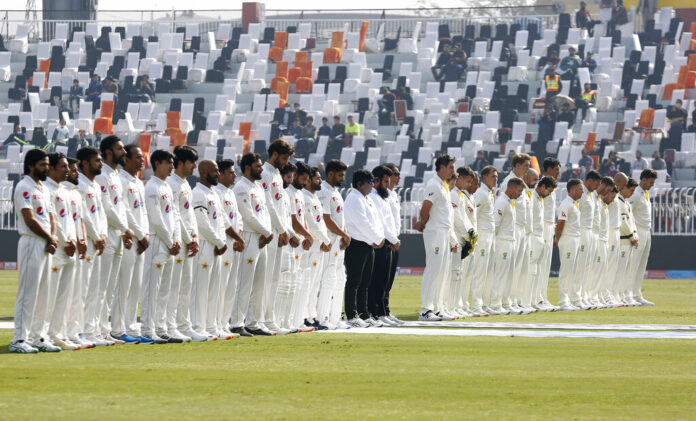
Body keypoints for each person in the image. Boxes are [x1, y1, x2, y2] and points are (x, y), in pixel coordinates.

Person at [9, 149, 59, 353]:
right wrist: (49, 237)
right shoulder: (24, 187)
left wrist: (53, 238)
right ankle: (19, 340)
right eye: (42, 165)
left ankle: (39, 337)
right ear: (30, 166)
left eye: (47, 164)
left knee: (44, 293)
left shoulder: (43, 188)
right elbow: (29, 219)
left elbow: (51, 217)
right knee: (28, 292)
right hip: (31, 242)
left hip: (47, 244)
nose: (46, 168)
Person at [94, 136, 133, 345]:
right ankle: (94, 331)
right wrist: (125, 229)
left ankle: (104, 330)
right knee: (100, 287)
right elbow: (107, 209)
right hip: (107, 233)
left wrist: (125, 232)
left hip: (117, 235)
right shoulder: (102, 176)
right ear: (108, 152)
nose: (124, 152)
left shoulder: (116, 176)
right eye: (120, 149)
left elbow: (121, 208)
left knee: (109, 288)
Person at [114, 144, 153, 345]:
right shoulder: (120, 180)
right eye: (137, 157)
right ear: (126, 159)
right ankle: (118, 328)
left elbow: (142, 212)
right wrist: (139, 234)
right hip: (129, 239)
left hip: (140, 240)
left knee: (134, 286)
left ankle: (130, 326)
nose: (142, 160)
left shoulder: (138, 182)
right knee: (123, 286)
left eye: (142, 157)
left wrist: (145, 234)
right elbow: (125, 211)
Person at [232, 153, 274, 336]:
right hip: (249, 237)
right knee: (245, 282)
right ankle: (236, 322)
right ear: (247, 167)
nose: (261, 169)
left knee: (259, 283)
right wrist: (267, 232)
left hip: (261, 239)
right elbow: (247, 215)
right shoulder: (241, 187)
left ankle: (253, 322)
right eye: (258, 166)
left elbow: (264, 213)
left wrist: (267, 233)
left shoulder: (257, 187)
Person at [141, 149, 179, 344]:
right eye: (168, 163)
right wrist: (171, 241)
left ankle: (160, 327)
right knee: (152, 288)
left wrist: (176, 238)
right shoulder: (151, 187)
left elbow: (174, 215)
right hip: (157, 241)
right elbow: (155, 219)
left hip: (169, 243)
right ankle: (148, 329)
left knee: (165, 289)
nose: (172, 166)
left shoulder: (166, 187)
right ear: (157, 163)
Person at [415, 154, 458, 321]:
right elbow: (426, 208)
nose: (453, 170)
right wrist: (423, 222)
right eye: (451, 167)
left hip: (444, 232)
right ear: (442, 167)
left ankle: (438, 308)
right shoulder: (433, 184)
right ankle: (426, 310)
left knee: (443, 272)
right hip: (435, 231)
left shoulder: (444, 186)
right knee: (434, 270)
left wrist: (452, 239)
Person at [43, 152, 79, 350]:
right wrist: (66, 241)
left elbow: (70, 220)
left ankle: (59, 334)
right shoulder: (46, 189)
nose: (68, 171)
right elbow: (53, 221)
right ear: (52, 168)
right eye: (63, 167)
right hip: (58, 249)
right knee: (51, 295)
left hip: (69, 249)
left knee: (65, 296)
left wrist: (72, 240)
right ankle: (45, 335)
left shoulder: (64, 190)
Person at [165, 146, 201, 341]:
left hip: (189, 241)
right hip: (177, 241)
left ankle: (183, 325)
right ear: (180, 163)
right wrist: (188, 238)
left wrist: (195, 237)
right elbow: (176, 216)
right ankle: (170, 326)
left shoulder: (186, 184)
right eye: (191, 162)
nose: (194, 166)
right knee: (174, 286)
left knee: (185, 285)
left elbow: (190, 215)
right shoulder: (171, 184)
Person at [260, 140, 295, 335]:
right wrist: (282, 230)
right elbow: (269, 205)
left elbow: (281, 206)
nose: (285, 162)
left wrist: (285, 230)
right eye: (283, 158)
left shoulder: (275, 174)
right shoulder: (265, 173)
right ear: (274, 154)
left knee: (274, 278)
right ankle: (262, 319)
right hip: (271, 231)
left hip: (279, 232)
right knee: (266, 279)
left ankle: (269, 318)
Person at [76, 146, 109, 346]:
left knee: (96, 288)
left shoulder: (95, 186)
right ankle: (79, 330)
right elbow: (84, 216)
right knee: (84, 288)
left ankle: (91, 329)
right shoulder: (79, 184)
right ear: (85, 163)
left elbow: (101, 213)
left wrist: (103, 234)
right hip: (87, 241)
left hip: (98, 241)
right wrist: (96, 236)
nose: (101, 164)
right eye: (97, 161)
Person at [343, 169, 382, 327]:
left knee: (365, 283)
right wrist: (377, 239)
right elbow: (362, 223)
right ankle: (352, 315)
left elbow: (375, 221)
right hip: (357, 244)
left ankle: (364, 314)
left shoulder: (367, 199)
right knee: (354, 281)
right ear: (359, 183)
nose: (372, 186)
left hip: (368, 244)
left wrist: (377, 238)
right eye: (370, 182)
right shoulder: (354, 199)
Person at [317, 160, 351, 329]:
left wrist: (345, 235)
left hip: (338, 241)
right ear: (330, 174)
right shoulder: (323, 191)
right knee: (329, 279)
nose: (342, 178)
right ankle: (323, 318)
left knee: (340, 279)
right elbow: (326, 219)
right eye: (340, 175)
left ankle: (335, 317)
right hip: (329, 240)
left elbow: (340, 218)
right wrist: (343, 234)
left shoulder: (336, 192)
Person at [213, 159, 245, 339]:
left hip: (234, 244)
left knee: (231, 286)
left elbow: (237, 218)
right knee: (220, 286)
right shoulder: (216, 192)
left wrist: (239, 236)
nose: (234, 175)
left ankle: (224, 323)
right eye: (231, 172)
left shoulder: (230, 193)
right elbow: (224, 220)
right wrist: (236, 237)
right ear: (221, 174)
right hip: (224, 243)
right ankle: (215, 323)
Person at [63, 157, 92, 348]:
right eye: (72, 170)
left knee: (77, 293)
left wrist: (82, 238)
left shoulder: (75, 193)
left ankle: (73, 332)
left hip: (78, 246)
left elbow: (80, 219)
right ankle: (62, 333)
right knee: (64, 294)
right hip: (64, 246)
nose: (76, 174)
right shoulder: (62, 192)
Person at [499, 153, 533, 314]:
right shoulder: (508, 182)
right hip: (513, 229)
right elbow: (503, 205)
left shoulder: (522, 185)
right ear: (517, 165)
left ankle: (514, 300)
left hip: (522, 230)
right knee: (512, 268)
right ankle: (506, 301)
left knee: (519, 268)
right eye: (526, 165)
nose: (528, 169)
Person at [368, 165, 399, 326]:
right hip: (380, 242)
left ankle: (383, 311)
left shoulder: (384, 196)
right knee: (377, 281)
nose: (388, 185)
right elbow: (381, 223)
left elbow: (391, 221)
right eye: (386, 181)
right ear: (376, 180)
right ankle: (376, 312)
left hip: (388, 242)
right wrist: (393, 239)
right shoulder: (373, 197)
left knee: (385, 281)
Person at [286, 162, 316, 332]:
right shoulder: (289, 192)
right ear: (295, 175)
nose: (305, 183)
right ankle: (288, 321)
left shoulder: (299, 193)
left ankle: (297, 320)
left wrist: (307, 235)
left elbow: (302, 217)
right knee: (290, 284)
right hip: (293, 241)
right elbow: (293, 220)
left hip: (301, 242)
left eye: (306, 180)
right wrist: (306, 235)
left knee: (301, 284)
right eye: (303, 178)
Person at [301, 167, 332, 329]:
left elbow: (320, 222)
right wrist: (325, 239)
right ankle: (304, 316)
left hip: (318, 245)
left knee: (315, 284)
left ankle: (311, 316)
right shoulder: (305, 198)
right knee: (308, 283)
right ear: (308, 180)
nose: (320, 181)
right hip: (311, 246)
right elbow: (311, 224)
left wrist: (323, 240)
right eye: (317, 178)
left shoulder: (314, 197)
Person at [490, 177, 525, 314]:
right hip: (503, 242)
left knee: (510, 274)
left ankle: (505, 303)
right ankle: (495, 304)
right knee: (501, 273)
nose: (520, 194)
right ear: (511, 188)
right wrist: (498, 241)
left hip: (511, 241)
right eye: (519, 190)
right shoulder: (501, 202)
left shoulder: (510, 202)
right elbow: (496, 225)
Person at [448, 166, 477, 318]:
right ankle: (450, 306)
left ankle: (455, 306)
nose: (468, 185)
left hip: (461, 238)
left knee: (458, 275)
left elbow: (464, 217)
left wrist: (471, 232)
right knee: (453, 274)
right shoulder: (453, 194)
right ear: (459, 178)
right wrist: (468, 234)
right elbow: (457, 219)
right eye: (467, 181)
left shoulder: (460, 194)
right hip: (455, 237)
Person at [470, 165, 498, 316]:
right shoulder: (481, 194)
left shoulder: (489, 193)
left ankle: (485, 303)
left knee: (488, 272)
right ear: (485, 177)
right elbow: (474, 215)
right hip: (483, 235)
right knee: (480, 271)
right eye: (493, 176)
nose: (496, 179)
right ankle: (476, 305)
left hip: (491, 235)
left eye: (496, 176)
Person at [628, 169, 657, 306]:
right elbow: (628, 214)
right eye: (650, 182)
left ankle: (637, 294)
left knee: (642, 264)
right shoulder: (635, 194)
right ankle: (628, 294)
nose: (652, 185)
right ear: (643, 179)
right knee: (634, 263)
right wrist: (632, 233)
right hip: (638, 231)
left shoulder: (645, 194)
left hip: (647, 231)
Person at [574, 170, 601, 310]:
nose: (597, 187)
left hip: (590, 231)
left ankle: (584, 296)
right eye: (595, 184)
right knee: (580, 266)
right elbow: (576, 215)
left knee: (588, 267)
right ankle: (576, 297)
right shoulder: (582, 193)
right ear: (589, 180)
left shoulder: (591, 194)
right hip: (583, 231)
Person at [554, 178, 583, 311]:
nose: (582, 192)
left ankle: (570, 299)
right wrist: (557, 239)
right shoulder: (566, 204)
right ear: (572, 190)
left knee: (573, 270)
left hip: (575, 238)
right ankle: (563, 301)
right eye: (580, 189)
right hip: (568, 239)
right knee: (566, 270)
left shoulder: (574, 204)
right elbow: (560, 223)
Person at [537, 158, 561, 310]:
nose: (559, 173)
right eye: (556, 170)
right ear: (548, 169)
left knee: (545, 265)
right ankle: (536, 298)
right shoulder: (542, 187)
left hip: (549, 227)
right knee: (539, 265)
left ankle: (543, 297)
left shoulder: (552, 188)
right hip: (542, 227)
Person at [383, 162, 404, 325]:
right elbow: (383, 222)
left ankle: (386, 309)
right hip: (387, 241)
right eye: (396, 174)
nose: (398, 177)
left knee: (389, 279)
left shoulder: (394, 195)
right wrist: (391, 239)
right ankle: (380, 311)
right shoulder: (382, 195)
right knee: (381, 280)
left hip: (394, 240)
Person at [606, 173, 629, 306]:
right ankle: (605, 295)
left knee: (613, 265)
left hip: (615, 231)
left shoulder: (616, 195)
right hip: (609, 230)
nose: (624, 187)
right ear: (617, 182)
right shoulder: (609, 194)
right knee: (608, 265)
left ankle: (609, 294)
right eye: (623, 184)